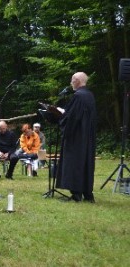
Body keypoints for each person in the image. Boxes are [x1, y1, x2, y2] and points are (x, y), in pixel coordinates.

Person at [56, 72, 97, 203]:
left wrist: (61, 116)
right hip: (87, 137)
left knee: (75, 163)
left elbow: (72, 118)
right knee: (85, 163)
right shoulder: (90, 96)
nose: (70, 83)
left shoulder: (78, 96)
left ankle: (76, 194)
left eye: (72, 80)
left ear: (77, 81)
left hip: (76, 137)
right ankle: (87, 193)